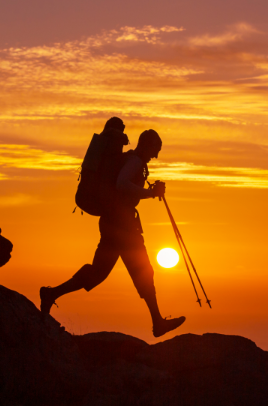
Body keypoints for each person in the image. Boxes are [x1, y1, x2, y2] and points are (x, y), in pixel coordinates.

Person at [40, 128, 186, 338]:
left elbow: (122, 185)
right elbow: (122, 184)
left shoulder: (132, 160)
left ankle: (51, 293)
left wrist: (148, 191)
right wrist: (150, 193)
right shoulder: (135, 162)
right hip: (122, 227)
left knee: (99, 273)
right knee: (143, 271)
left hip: (114, 224)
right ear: (147, 145)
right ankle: (157, 323)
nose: (156, 155)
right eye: (155, 149)